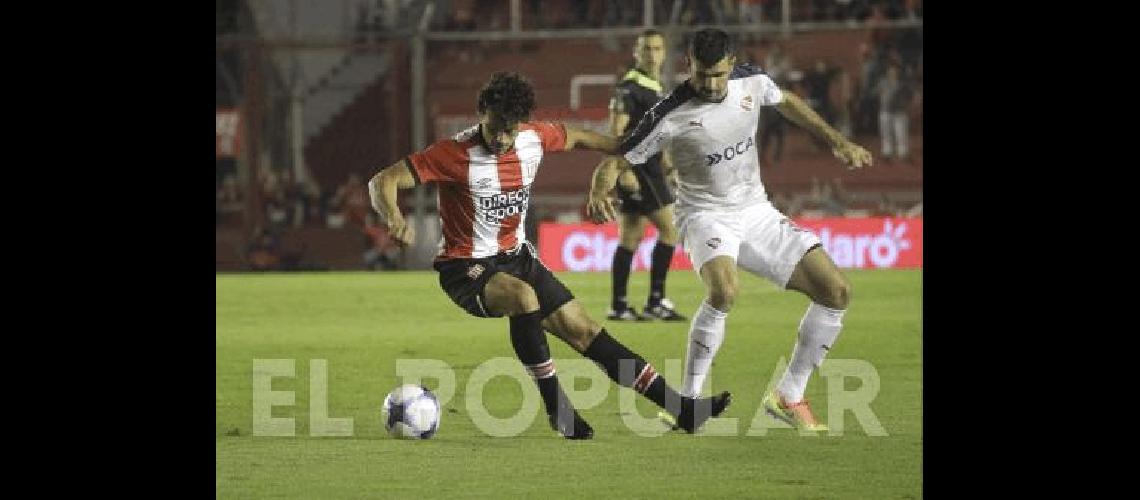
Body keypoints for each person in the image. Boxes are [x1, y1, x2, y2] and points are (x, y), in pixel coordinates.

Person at [368, 71, 731, 439]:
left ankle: (682, 409)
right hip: (466, 267)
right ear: (481, 114)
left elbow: (578, 136)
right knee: (522, 297)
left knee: (584, 330)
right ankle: (558, 407)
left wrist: (623, 150)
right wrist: (394, 217)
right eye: (495, 128)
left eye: (510, 130)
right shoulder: (452, 154)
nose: (501, 138)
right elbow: (383, 180)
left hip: (517, 258)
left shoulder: (534, 138)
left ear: (521, 124)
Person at [587, 29, 872, 431]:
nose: (711, 85)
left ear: (732, 65)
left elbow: (787, 102)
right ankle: (687, 404)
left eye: (718, 75)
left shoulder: (752, 81)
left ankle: (789, 395)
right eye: (703, 75)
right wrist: (601, 188)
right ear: (688, 65)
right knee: (724, 290)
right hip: (705, 215)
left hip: (756, 210)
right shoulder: (670, 112)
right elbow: (615, 159)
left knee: (836, 292)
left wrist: (837, 141)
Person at [605, 29, 686, 322]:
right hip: (640, 170)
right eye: (646, 49)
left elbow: (658, 133)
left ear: (664, 53)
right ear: (636, 53)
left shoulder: (654, 87)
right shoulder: (630, 88)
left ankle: (619, 305)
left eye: (657, 49)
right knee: (670, 230)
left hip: (651, 169)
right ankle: (655, 301)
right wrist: (621, 170)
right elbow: (615, 132)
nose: (652, 54)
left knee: (631, 236)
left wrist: (670, 167)